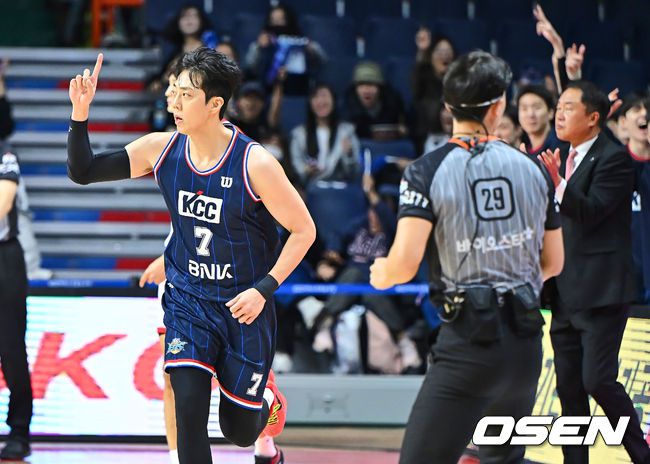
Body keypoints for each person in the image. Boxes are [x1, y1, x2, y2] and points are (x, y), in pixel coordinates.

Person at [67, 48, 316, 464]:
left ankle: (267, 401)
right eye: (174, 91)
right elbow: (84, 171)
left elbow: (304, 230)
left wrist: (263, 289)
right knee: (188, 410)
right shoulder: (161, 148)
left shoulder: (254, 163)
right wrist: (80, 113)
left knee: (239, 431)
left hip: (243, 305)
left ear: (215, 104)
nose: (173, 102)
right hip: (188, 300)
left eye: (185, 95)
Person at [370, 50, 564, 464]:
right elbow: (553, 263)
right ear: (499, 107)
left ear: (448, 106)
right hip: (525, 345)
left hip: (468, 345)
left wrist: (381, 272)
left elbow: (403, 265)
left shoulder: (426, 171)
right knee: (503, 459)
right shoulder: (533, 169)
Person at [538, 81, 650, 464]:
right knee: (569, 390)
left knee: (597, 381)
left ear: (593, 118)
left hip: (602, 293)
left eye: (569, 107)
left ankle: (641, 455)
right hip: (564, 294)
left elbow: (592, 210)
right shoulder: (561, 158)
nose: (559, 113)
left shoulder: (613, 159)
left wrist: (558, 183)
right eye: (558, 106)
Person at [0, 150, 33, 460]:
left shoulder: (5, 155)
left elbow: (3, 203)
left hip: (5, 257)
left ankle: (19, 431)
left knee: (11, 350)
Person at [244, 3, 326, 95]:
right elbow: (250, 66)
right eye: (273, 20)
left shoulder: (301, 41)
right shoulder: (263, 43)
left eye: (281, 19)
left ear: (289, 20)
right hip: (268, 90)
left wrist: (310, 49)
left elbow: (322, 61)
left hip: (298, 87)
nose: (277, 23)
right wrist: (259, 47)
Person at [290, 84, 360, 187]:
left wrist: (349, 155)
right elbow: (296, 167)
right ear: (310, 103)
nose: (321, 101)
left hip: (338, 185)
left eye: (324, 96)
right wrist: (306, 170)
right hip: (311, 186)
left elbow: (354, 172)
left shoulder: (347, 131)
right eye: (316, 97)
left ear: (334, 101)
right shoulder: (299, 134)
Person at [343, 61, 408, 141]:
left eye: (371, 85)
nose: (366, 90)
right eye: (362, 85)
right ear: (355, 89)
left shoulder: (393, 107)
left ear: (380, 88)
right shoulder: (347, 110)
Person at [517, 84, 560, 158]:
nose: (530, 114)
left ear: (550, 112)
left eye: (537, 107)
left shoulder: (561, 148)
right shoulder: (520, 152)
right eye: (524, 109)